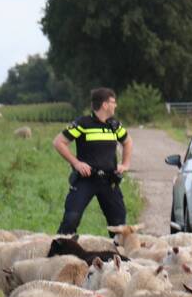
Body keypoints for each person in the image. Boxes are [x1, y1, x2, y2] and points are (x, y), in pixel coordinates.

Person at [53, 87, 133, 235]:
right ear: (105, 104)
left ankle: (118, 257)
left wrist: (125, 164)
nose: (115, 105)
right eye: (113, 102)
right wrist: (76, 163)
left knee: (119, 226)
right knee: (71, 219)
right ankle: (60, 253)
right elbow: (59, 142)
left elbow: (128, 142)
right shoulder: (83, 123)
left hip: (109, 180)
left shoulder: (114, 125)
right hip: (86, 179)